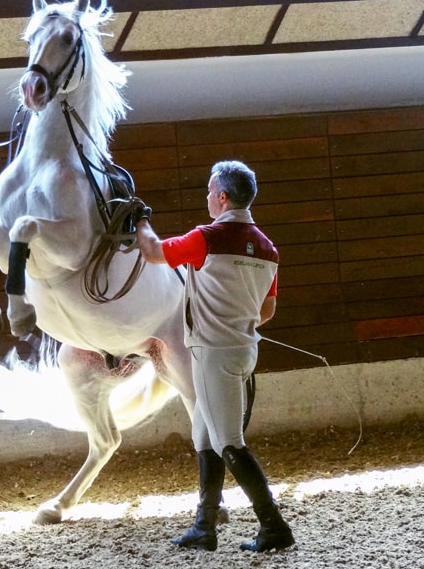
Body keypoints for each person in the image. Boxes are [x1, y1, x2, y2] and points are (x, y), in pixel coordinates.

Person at [135, 159, 294, 553]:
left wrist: (138, 220)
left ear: (222, 198)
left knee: (230, 442)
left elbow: (154, 252)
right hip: (244, 349)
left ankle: (273, 525)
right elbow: (266, 312)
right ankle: (204, 527)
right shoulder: (268, 249)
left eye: (210, 192)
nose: (207, 197)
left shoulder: (205, 237)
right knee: (204, 436)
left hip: (212, 352)